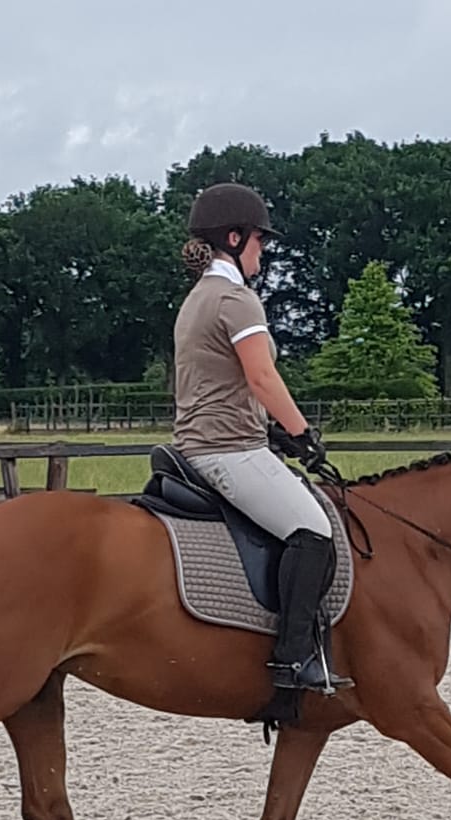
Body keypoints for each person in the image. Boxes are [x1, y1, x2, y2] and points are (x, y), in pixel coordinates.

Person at [173, 182, 349, 704]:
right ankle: (293, 659)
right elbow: (262, 379)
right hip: (226, 450)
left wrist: (271, 433)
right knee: (314, 530)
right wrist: (301, 433)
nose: (263, 251)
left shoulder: (200, 297)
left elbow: (218, 383)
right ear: (234, 237)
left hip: (212, 441)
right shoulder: (235, 299)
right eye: (259, 241)